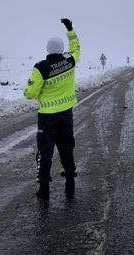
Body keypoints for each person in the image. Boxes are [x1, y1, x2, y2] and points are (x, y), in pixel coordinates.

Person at [23, 18, 80, 199]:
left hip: (47, 118)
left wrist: (29, 89)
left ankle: (44, 188)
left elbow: (30, 94)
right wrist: (70, 29)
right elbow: (76, 48)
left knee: (45, 150)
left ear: (48, 50)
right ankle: (70, 181)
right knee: (66, 147)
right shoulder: (70, 60)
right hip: (66, 114)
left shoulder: (41, 68)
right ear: (62, 49)